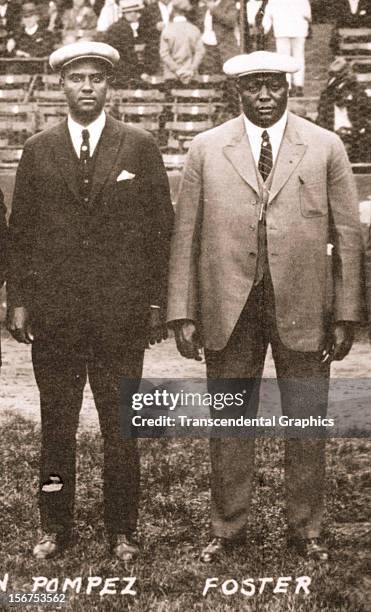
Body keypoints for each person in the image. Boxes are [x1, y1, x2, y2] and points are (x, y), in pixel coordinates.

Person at [167, 50, 363, 563]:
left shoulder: (325, 146)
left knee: (306, 419)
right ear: (237, 92)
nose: (264, 96)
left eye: (274, 85)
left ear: (288, 87)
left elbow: (348, 236)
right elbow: (185, 235)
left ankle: (307, 530)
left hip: (304, 306)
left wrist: (345, 314)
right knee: (230, 420)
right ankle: (228, 529)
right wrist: (183, 312)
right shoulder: (206, 148)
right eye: (254, 86)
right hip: (228, 305)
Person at [7, 40, 173, 561]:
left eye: (95, 79)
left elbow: (158, 230)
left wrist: (153, 304)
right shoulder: (37, 149)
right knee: (57, 423)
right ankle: (54, 527)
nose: (86, 88)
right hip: (56, 316)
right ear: (61, 85)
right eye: (77, 78)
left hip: (119, 316)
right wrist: (20, 300)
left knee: (119, 424)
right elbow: (22, 233)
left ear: (109, 86)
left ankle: (122, 529)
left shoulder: (139, 146)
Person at [317, 57, 370, 163]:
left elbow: (365, 114)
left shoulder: (358, 91)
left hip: (356, 136)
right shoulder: (327, 94)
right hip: (333, 135)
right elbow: (322, 117)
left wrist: (355, 131)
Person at [262, 0, 311, 96]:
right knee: (299, 57)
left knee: (283, 58)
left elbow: (269, 13)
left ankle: (287, 85)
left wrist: (265, 29)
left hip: (281, 29)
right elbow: (307, 14)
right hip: (298, 29)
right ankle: (299, 85)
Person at [160, 0, 204, 85]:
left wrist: (177, 70)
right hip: (191, 75)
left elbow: (164, 54)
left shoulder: (167, 30)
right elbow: (200, 52)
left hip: (172, 75)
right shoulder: (194, 29)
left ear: (173, 11)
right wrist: (191, 69)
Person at [102, 0, 140, 85]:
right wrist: (138, 71)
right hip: (117, 66)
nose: (136, 15)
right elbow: (129, 53)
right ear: (127, 13)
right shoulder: (125, 28)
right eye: (133, 12)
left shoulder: (119, 25)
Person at [196, 0, 239, 75]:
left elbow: (231, 21)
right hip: (206, 45)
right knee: (207, 74)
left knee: (226, 74)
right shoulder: (204, 5)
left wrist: (214, 9)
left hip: (223, 47)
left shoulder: (229, 3)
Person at [138, 0, 173, 75]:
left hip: (176, 53)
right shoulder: (149, 10)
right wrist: (154, 28)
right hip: (155, 55)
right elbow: (140, 32)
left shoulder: (179, 7)